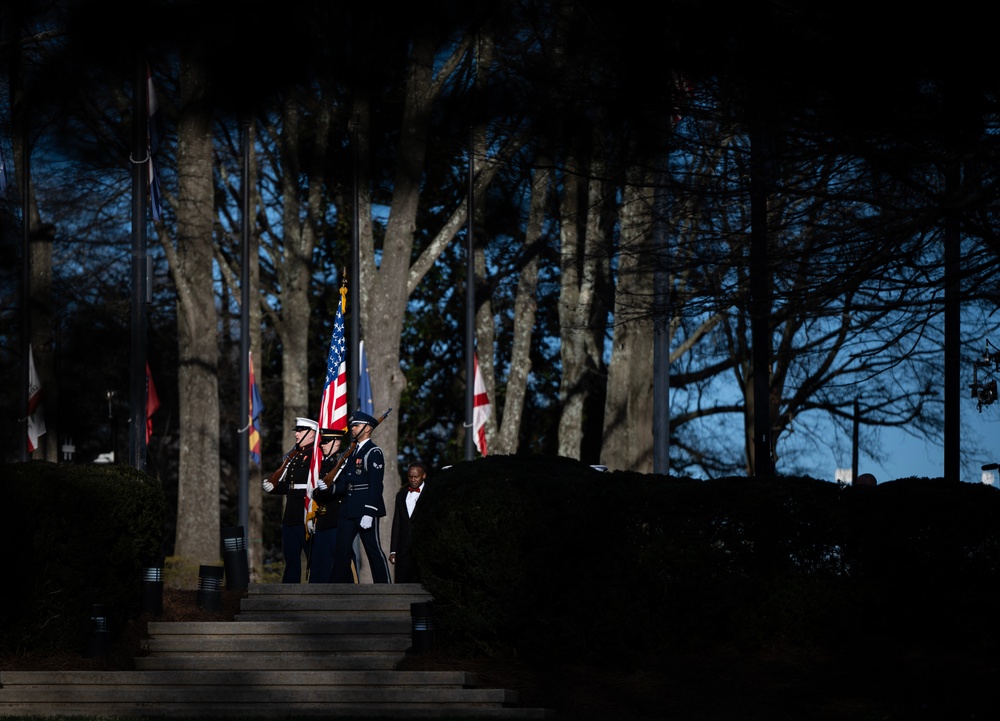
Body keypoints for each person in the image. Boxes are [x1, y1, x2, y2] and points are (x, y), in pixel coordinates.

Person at [330, 411, 392, 583]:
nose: (352, 428)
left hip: (364, 508)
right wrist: (330, 488)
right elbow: (347, 482)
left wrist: (370, 512)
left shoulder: (373, 452)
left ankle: (384, 587)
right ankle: (335, 589)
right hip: (348, 508)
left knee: (373, 549)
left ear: (367, 428)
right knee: (341, 549)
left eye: (356, 425)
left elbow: (376, 484)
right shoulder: (352, 452)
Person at [262, 417, 317, 583]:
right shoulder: (294, 455)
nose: (296, 434)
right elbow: (291, 485)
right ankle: (289, 592)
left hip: (305, 510)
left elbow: (311, 484)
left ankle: (319, 592)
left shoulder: (315, 456)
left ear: (312, 434)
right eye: (297, 431)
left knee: (313, 557)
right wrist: (274, 488)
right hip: (291, 513)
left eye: (300, 431)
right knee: (291, 556)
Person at [307, 427, 354, 583]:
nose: (322, 445)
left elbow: (346, 486)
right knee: (319, 564)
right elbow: (319, 490)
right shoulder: (325, 464)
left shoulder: (342, 463)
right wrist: (316, 493)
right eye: (322, 442)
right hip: (323, 519)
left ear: (336, 443)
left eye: (326, 442)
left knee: (341, 563)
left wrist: (330, 489)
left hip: (337, 518)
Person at [389, 461, 427, 584]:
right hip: (403, 549)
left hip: (423, 548)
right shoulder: (401, 496)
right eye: (410, 477)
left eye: (416, 477)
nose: (413, 480)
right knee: (401, 582)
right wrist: (393, 550)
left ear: (423, 476)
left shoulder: (430, 492)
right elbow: (397, 523)